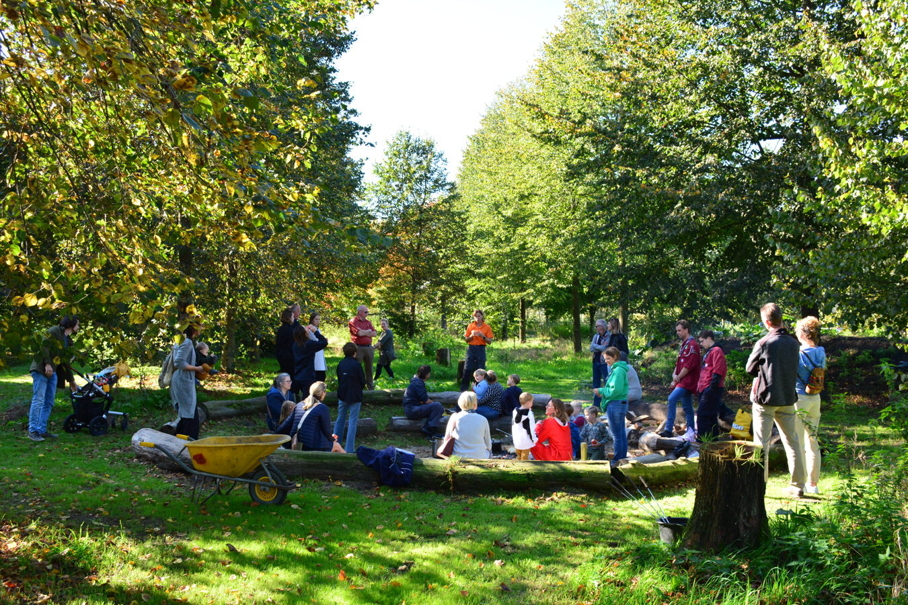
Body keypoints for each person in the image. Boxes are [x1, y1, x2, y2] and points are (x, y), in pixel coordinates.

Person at [746, 303, 805, 498]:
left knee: (761, 444)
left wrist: (762, 371)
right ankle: (798, 485)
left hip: (766, 399)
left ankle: (758, 486)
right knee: (792, 441)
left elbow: (749, 368)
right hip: (788, 397)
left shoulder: (764, 343)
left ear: (767, 322)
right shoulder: (794, 342)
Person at [28, 315, 80, 441]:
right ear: (71, 324)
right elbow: (44, 346)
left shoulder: (68, 341)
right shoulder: (54, 331)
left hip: (53, 372)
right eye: (78, 324)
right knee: (38, 400)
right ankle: (33, 431)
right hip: (41, 369)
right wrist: (47, 363)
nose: (79, 327)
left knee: (49, 402)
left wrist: (72, 381)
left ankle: (41, 430)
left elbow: (66, 363)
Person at [794, 316, 826, 495]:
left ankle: (799, 483)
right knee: (813, 441)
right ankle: (813, 484)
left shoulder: (799, 353)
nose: (796, 334)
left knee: (798, 442)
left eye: (798, 331)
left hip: (800, 398)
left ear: (805, 333)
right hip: (816, 397)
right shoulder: (821, 351)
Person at [278, 382, 344, 452]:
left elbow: (285, 425)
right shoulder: (322, 408)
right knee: (336, 445)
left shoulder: (299, 405)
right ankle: (352, 461)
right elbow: (326, 430)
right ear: (323, 393)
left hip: (295, 442)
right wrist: (333, 439)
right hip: (311, 445)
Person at [662, 320, 701, 439]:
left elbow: (689, 366)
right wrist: (674, 375)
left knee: (672, 399)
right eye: (677, 331)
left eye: (679, 330)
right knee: (687, 406)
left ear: (686, 330)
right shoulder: (684, 344)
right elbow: (678, 363)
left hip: (688, 381)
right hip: (682, 380)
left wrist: (677, 379)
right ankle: (690, 430)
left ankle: (668, 428)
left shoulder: (693, 345)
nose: (677, 333)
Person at [593, 347, 629, 467]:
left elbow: (615, 390)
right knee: (621, 434)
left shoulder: (618, 370)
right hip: (620, 403)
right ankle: (622, 458)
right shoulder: (619, 369)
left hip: (615, 404)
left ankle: (617, 461)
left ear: (615, 357)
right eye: (605, 359)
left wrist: (601, 391)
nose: (606, 361)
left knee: (616, 435)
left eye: (608, 359)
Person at [172, 322, 205, 440]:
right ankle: (185, 447)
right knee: (189, 417)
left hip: (183, 380)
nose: (202, 328)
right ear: (193, 328)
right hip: (183, 380)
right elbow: (179, 362)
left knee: (188, 416)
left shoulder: (183, 341)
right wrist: (197, 369)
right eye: (200, 325)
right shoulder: (187, 342)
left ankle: (179, 444)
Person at [696, 330, 728, 442]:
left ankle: (701, 441)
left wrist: (711, 388)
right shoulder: (709, 352)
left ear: (709, 338)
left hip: (711, 388)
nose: (701, 344)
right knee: (711, 415)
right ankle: (713, 440)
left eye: (702, 341)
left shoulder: (716, 351)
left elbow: (718, 370)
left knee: (702, 414)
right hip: (704, 387)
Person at [335, 342, 366, 453]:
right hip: (355, 395)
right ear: (354, 352)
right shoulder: (357, 365)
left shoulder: (341, 363)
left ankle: (335, 443)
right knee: (353, 421)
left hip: (343, 394)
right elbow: (362, 381)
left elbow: (339, 377)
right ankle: (349, 448)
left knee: (340, 419)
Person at [443, 391, 492, 459]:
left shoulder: (455, 417)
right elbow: (488, 445)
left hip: (458, 456)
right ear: (475, 404)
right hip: (479, 456)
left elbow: (446, 439)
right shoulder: (483, 419)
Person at [403, 365, 445, 439]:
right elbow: (426, 400)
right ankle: (431, 430)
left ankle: (427, 428)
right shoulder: (418, 384)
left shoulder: (417, 382)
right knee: (437, 406)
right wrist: (436, 405)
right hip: (412, 410)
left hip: (412, 409)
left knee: (439, 408)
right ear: (427, 374)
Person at [460, 309, 494, 391]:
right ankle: (463, 389)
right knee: (467, 368)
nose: (477, 318)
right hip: (471, 348)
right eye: (475, 316)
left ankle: (481, 388)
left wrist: (482, 336)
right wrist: (471, 335)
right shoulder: (470, 326)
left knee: (481, 368)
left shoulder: (487, 327)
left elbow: (489, 341)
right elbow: (466, 340)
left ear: (482, 316)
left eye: (479, 316)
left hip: (481, 348)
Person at [291, 323, 328, 399]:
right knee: (308, 398)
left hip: (298, 374)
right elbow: (324, 342)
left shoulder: (295, 345)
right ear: (305, 333)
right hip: (308, 375)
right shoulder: (309, 344)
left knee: (299, 396)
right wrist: (316, 332)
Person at [349, 305, 378, 390]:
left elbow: (375, 333)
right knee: (356, 367)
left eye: (367, 312)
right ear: (359, 312)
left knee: (369, 368)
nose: (367, 313)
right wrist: (368, 332)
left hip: (369, 348)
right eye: (366, 312)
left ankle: (370, 387)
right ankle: (356, 387)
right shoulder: (353, 321)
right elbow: (359, 333)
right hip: (358, 348)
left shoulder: (368, 322)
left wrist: (365, 332)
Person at [589, 319, 609, 407]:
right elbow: (591, 348)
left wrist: (596, 346)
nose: (597, 328)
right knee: (596, 384)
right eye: (596, 326)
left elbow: (606, 348)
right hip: (595, 361)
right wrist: (599, 347)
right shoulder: (596, 336)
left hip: (604, 362)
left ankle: (606, 403)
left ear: (603, 326)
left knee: (606, 382)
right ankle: (596, 404)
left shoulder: (609, 336)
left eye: (598, 326)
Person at [511, 392, 537, 460]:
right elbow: (531, 428)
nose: (532, 403)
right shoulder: (529, 414)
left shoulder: (515, 411)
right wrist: (534, 439)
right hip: (526, 440)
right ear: (528, 402)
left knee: (519, 456)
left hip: (517, 440)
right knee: (524, 458)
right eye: (532, 402)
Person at [275, 307, 296, 376]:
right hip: (288, 358)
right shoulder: (289, 330)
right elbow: (292, 344)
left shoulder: (282, 328)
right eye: (292, 316)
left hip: (282, 355)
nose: (294, 318)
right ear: (289, 317)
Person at [308, 312, 327, 383]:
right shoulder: (310, 329)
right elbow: (316, 340)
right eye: (316, 319)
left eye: (319, 319)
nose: (318, 321)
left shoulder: (317, 329)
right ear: (312, 319)